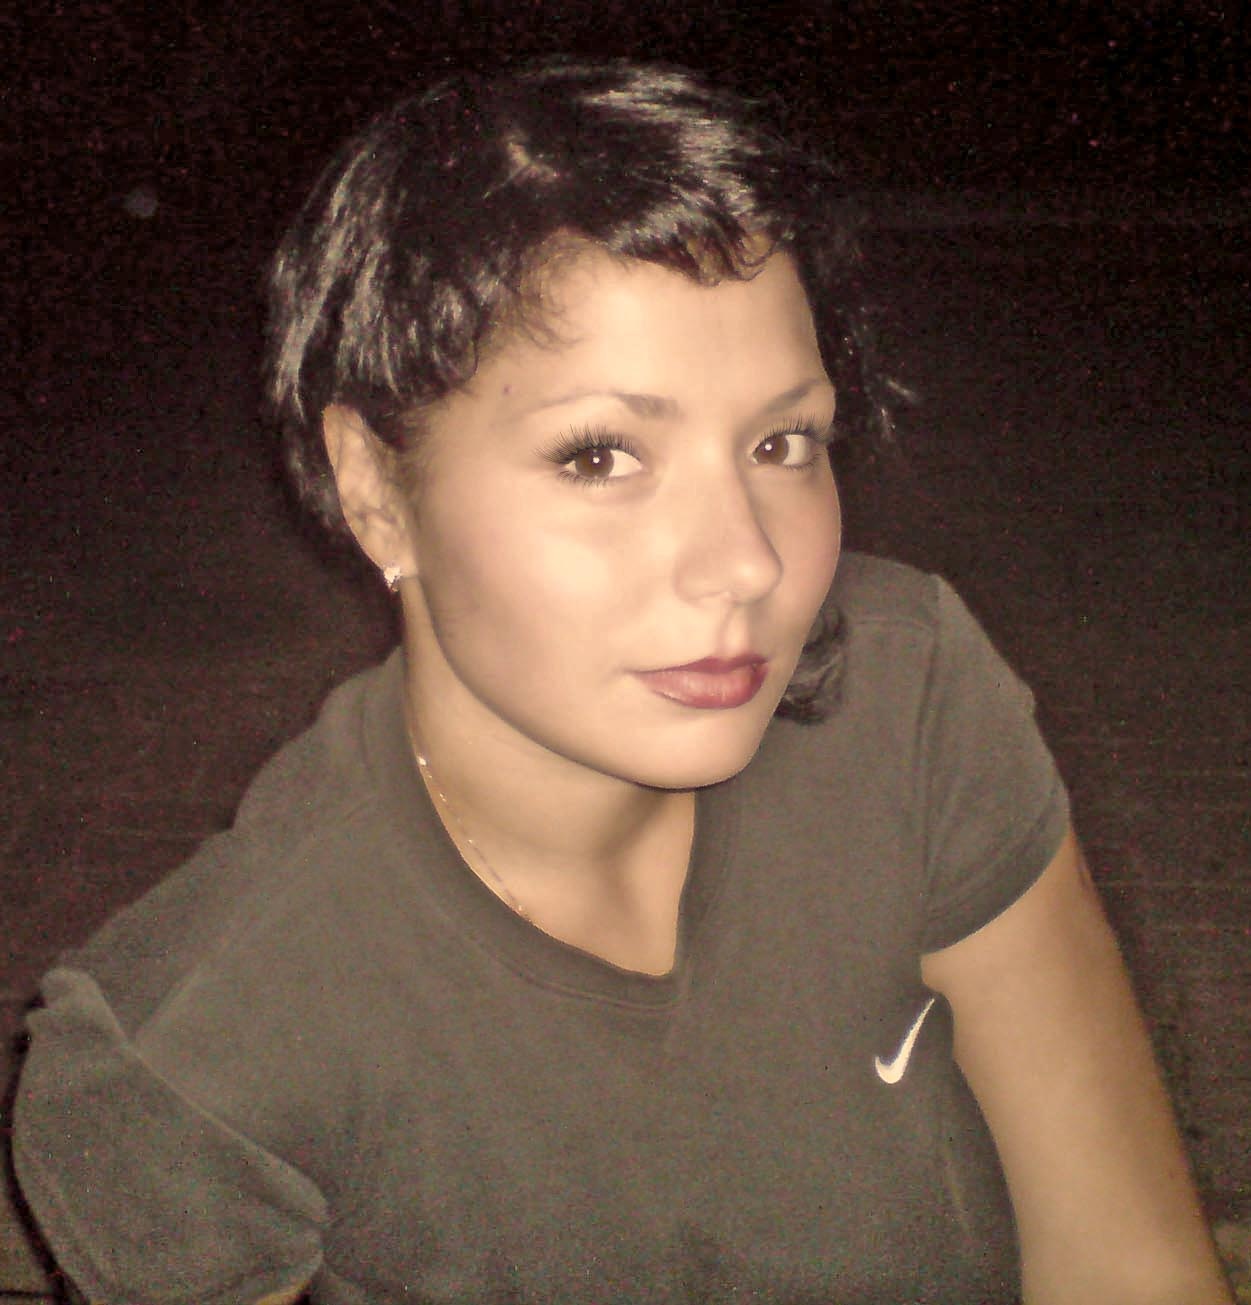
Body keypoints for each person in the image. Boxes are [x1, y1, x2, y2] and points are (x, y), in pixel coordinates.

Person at [12, 58, 1232, 1305]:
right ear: (374, 489)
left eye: (782, 442)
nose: (747, 562)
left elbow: (1128, 1267)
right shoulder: (195, 1056)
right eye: (600, 457)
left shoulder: (903, 694)